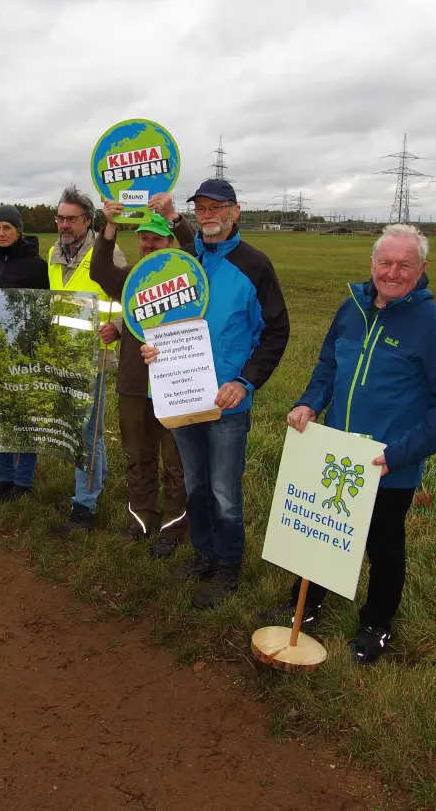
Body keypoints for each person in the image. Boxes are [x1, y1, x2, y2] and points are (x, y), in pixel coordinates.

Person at [280, 223, 436, 665]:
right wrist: (310, 403)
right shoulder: (351, 309)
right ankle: (304, 608)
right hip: (334, 454)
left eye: (405, 264)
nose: (393, 271)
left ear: (422, 268)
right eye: (385, 262)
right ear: (371, 264)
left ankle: (376, 624)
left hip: (388, 464)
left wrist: (399, 455)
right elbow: (328, 365)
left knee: (383, 548)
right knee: (319, 531)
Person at [139, 180, 290, 609]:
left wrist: (244, 382)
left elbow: (276, 331)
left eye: (216, 207)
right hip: (184, 395)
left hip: (226, 400)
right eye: (201, 207)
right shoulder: (186, 261)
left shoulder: (255, 265)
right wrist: (155, 350)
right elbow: (165, 320)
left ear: (235, 212)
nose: (207, 214)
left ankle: (227, 566)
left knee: (224, 491)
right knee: (195, 485)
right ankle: (203, 555)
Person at [89, 199, 195, 559]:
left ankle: (173, 525)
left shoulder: (190, 275)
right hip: (135, 379)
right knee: (138, 454)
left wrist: (175, 220)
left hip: (176, 378)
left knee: (175, 460)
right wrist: (110, 225)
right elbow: (100, 271)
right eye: (144, 238)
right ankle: (142, 518)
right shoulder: (132, 277)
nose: (148, 244)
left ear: (170, 244)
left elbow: (198, 251)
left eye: (157, 238)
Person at [48, 185, 127, 535]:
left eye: (70, 219)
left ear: (88, 220)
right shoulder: (54, 252)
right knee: (83, 427)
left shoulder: (109, 252)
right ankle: (97, 479)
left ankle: (84, 506)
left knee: (86, 431)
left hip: (94, 354)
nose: (64, 225)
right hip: (63, 353)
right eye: (60, 218)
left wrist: (118, 327)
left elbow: (129, 294)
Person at [0, 205, 50, 501]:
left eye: (7, 228)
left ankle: (24, 482)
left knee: (23, 414)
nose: (1, 233)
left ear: (19, 231)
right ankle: (6, 477)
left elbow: (44, 310)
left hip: (22, 353)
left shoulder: (37, 266)